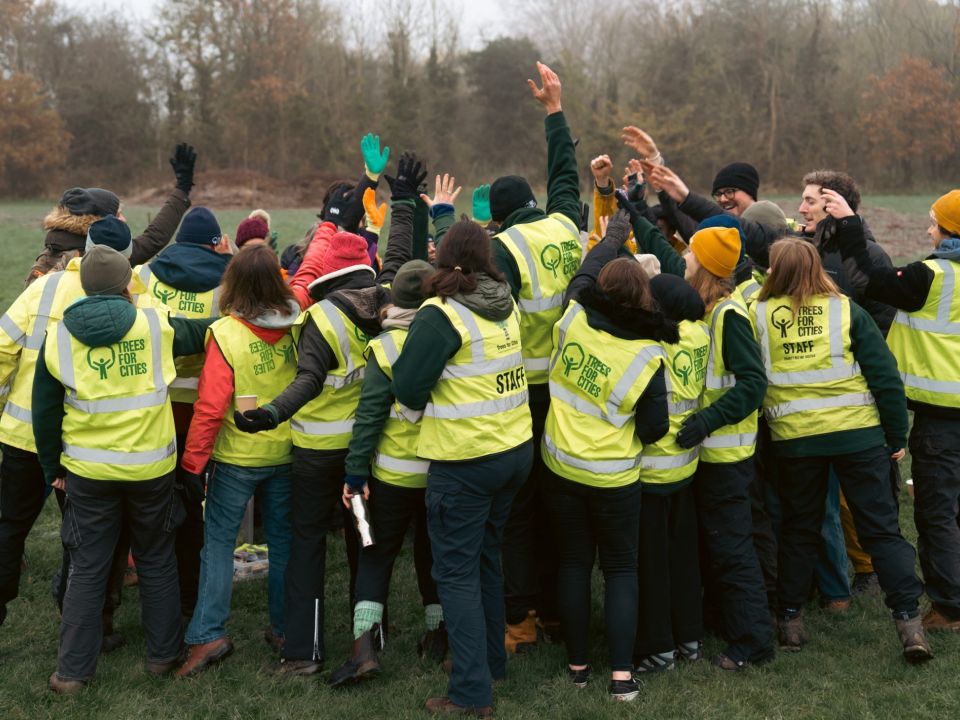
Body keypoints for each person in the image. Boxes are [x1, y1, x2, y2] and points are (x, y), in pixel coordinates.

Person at [233, 152, 420, 675]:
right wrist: (401, 202)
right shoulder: (388, 302)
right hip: (368, 452)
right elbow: (401, 253)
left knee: (307, 548)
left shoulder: (319, 319)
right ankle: (371, 636)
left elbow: (308, 381)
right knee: (365, 542)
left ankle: (304, 651)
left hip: (316, 457)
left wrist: (270, 414)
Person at [31, 245, 214, 692]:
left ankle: (72, 673)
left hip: (88, 473)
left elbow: (44, 409)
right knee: (155, 558)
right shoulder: (155, 324)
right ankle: (163, 655)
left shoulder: (57, 338)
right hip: (151, 469)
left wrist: (52, 466)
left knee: (89, 567)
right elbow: (205, 334)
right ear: (125, 286)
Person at [750, 237, 931, 662]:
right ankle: (910, 625)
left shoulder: (756, 315)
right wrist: (895, 438)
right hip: (859, 438)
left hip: (795, 443)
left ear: (773, 271)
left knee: (798, 530)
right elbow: (885, 378)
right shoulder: (847, 310)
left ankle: (790, 623)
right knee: (882, 532)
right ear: (816, 266)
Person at [0, 216, 172, 634]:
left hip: (24, 436)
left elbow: (3, 348)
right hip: (90, 443)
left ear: (83, 247)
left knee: (9, 528)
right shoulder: (139, 298)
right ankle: (94, 619)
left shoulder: (45, 287)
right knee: (94, 540)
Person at [390, 219, 532, 716]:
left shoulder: (441, 313)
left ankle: (471, 692)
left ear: (442, 257)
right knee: (486, 561)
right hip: (513, 451)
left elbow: (407, 386)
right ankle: (490, 662)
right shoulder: (505, 303)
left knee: (455, 574)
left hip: (466, 459)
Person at [630, 208, 775, 670]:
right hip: (703, 455)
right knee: (714, 546)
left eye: (693, 251)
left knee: (732, 548)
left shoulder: (728, 316)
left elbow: (753, 385)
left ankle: (753, 641)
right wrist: (628, 208)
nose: (685, 255)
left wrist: (707, 421)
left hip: (726, 455)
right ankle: (720, 622)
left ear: (708, 265)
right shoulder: (702, 305)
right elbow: (666, 258)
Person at [542, 209, 673, 700]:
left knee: (574, 563)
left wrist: (613, 234)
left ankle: (577, 668)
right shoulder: (648, 355)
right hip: (615, 478)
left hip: (560, 468)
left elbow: (585, 272)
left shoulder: (574, 313)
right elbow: (656, 427)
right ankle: (621, 677)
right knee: (621, 570)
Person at [173, 244, 300, 677]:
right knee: (284, 544)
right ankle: (286, 630)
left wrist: (193, 465)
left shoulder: (226, 333)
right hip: (286, 450)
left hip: (236, 456)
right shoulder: (298, 324)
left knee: (218, 548)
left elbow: (209, 407)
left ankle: (208, 634)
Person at [837, 188, 960, 631]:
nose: (928, 229)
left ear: (949, 230)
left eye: (934, 222)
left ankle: (948, 608)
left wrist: (849, 226)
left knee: (937, 513)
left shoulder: (934, 277)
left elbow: (874, 277)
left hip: (942, 420)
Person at [491, 61, 582, 651]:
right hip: (574, 389)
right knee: (561, 503)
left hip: (525, 394)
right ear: (535, 202)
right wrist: (554, 112)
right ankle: (557, 611)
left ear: (498, 216)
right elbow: (567, 179)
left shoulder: (501, 247)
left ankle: (520, 618)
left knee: (520, 509)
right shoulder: (566, 227)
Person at [327, 259, 443, 687]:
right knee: (433, 556)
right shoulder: (447, 337)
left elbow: (370, 416)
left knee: (374, 556)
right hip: (439, 471)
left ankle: (364, 649)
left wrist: (354, 475)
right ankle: (437, 637)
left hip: (391, 475)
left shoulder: (385, 347)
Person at [134, 206, 233, 620]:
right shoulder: (227, 281)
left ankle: (149, 580)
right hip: (203, 407)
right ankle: (189, 592)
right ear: (215, 242)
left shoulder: (146, 274)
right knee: (192, 501)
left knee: (152, 500)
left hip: (151, 403)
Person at [635, 273, 709, 674]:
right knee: (684, 560)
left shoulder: (651, 343)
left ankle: (658, 647)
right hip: (686, 465)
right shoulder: (699, 334)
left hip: (650, 469)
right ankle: (690, 638)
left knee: (652, 565)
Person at [26, 143, 197, 285]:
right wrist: (183, 188)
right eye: (118, 214)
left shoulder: (52, 252)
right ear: (98, 221)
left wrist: (182, 189)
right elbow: (153, 239)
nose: (124, 219)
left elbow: (152, 238)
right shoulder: (105, 258)